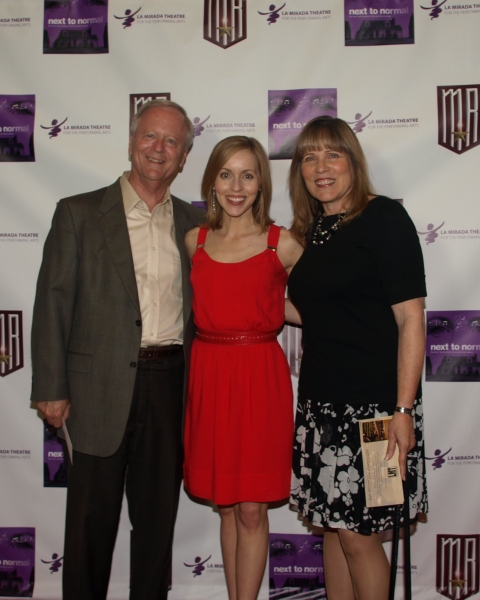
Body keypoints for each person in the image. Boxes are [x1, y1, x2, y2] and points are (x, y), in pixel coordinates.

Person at [31, 99, 204, 600]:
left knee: (156, 528)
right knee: (90, 527)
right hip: (94, 389)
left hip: (170, 385)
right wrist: (51, 388)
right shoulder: (79, 213)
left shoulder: (196, 225)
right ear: (131, 142)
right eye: (150, 136)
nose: (159, 149)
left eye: (172, 142)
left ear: (184, 157)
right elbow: (52, 303)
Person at [286, 116, 428, 600]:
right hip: (320, 409)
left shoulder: (383, 217)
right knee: (332, 528)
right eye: (309, 156)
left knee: (359, 537)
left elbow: (411, 319)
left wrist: (403, 412)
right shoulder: (315, 231)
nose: (320, 167)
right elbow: (321, 314)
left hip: (375, 414)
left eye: (332, 154)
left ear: (353, 161)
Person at [183, 136, 303, 600]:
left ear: (261, 183)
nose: (237, 186)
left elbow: (317, 305)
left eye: (248, 175)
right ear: (212, 181)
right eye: (226, 174)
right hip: (209, 376)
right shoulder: (195, 239)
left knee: (252, 510)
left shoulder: (282, 243)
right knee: (227, 507)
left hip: (259, 378)